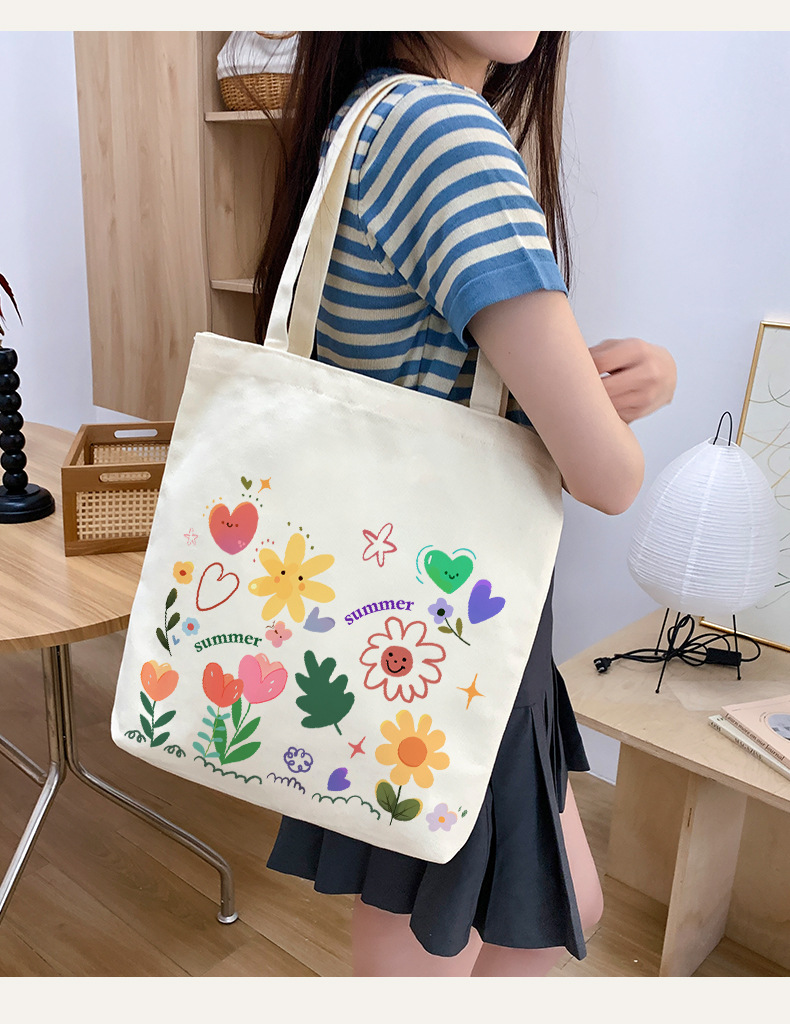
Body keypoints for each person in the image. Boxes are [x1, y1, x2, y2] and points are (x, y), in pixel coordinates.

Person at [252, 31, 677, 977]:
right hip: (449, 638)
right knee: (435, 945)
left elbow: (444, 382)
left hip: (419, 616)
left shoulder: (365, 115)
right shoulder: (446, 130)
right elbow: (608, 477)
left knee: (551, 909)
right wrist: (641, 388)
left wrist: (604, 383)